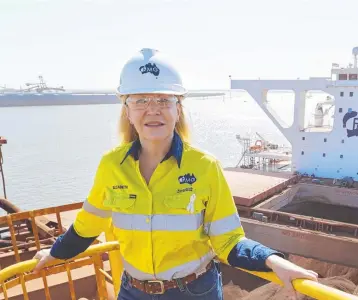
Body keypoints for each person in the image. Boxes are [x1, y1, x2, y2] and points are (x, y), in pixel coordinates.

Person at [32, 48, 318, 299]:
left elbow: (228, 240)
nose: (152, 110)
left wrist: (273, 261)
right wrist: (55, 253)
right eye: (141, 101)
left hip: (194, 292)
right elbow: (86, 227)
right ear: (127, 111)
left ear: (177, 109)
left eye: (163, 100)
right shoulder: (111, 166)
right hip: (133, 291)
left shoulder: (205, 167)